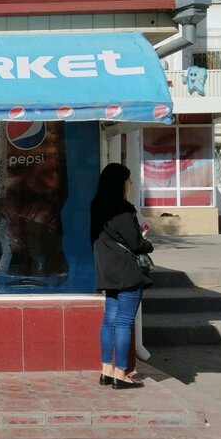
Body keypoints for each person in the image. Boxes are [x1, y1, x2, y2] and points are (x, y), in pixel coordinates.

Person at [90, 163, 154, 390]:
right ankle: (121, 374)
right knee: (124, 323)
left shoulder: (96, 206)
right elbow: (136, 244)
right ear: (120, 183)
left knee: (109, 321)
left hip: (107, 270)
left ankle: (105, 371)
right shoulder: (123, 209)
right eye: (128, 179)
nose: (131, 183)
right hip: (127, 272)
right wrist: (147, 240)